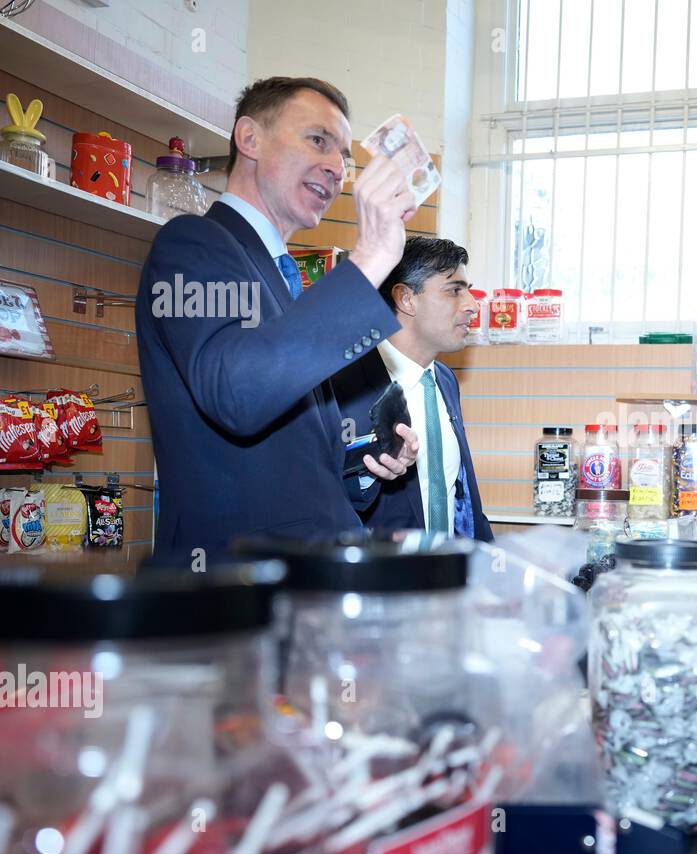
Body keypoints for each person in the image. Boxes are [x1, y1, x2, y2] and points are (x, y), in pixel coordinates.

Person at [136, 76, 421, 563]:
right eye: (318, 140)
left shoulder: (284, 282)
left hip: (300, 593)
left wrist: (366, 466)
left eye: (345, 157)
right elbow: (237, 394)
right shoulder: (192, 245)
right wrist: (371, 255)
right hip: (231, 596)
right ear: (249, 138)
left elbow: (292, 466)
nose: (336, 167)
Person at [333, 237, 493, 542]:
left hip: (447, 579)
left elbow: (462, 498)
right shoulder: (342, 385)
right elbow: (323, 497)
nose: (472, 305)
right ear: (406, 298)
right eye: (455, 291)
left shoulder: (444, 380)